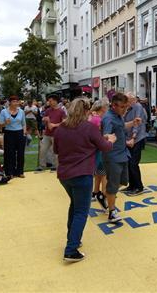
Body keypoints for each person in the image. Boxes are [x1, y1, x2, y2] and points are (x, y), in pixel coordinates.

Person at [53, 98, 116, 262]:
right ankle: (71, 249)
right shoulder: (89, 128)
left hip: (64, 175)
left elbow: (56, 149)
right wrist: (110, 140)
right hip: (82, 174)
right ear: (87, 110)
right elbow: (105, 147)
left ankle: (72, 239)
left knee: (74, 206)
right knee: (81, 211)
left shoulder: (61, 129)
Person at [101, 93, 141, 223]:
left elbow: (121, 127)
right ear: (114, 106)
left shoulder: (118, 116)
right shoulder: (108, 118)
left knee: (124, 181)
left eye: (126, 106)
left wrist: (132, 123)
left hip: (123, 154)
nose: (125, 109)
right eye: (122, 107)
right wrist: (108, 138)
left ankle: (106, 195)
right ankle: (112, 211)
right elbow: (105, 135)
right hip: (112, 156)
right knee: (113, 184)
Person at [122, 93, 148, 196]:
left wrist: (133, 137)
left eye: (127, 100)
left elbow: (137, 122)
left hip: (137, 138)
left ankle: (139, 187)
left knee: (133, 163)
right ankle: (132, 185)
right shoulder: (128, 108)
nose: (125, 102)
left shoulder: (138, 107)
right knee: (129, 163)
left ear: (132, 100)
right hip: (129, 139)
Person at [88, 99, 110, 209]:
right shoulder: (97, 119)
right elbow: (96, 136)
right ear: (103, 108)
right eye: (107, 107)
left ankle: (95, 192)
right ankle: (103, 195)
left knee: (99, 174)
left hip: (94, 150)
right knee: (105, 174)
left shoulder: (93, 116)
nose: (108, 109)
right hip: (99, 149)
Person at [36, 94, 66, 172]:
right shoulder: (48, 110)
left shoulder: (61, 111)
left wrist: (54, 125)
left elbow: (64, 123)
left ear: (55, 101)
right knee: (43, 149)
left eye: (50, 101)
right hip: (47, 134)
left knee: (55, 151)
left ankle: (55, 166)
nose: (49, 102)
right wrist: (44, 119)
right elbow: (44, 118)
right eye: (49, 101)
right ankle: (41, 166)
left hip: (56, 134)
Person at [0, 96, 26, 178]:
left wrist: (24, 132)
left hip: (19, 133)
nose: (16, 103)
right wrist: (5, 123)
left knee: (20, 153)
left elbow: (24, 123)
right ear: (10, 102)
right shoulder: (4, 112)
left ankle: (20, 171)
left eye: (17, 101)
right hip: (9, 133)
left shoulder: (21, 111)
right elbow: (0, 125)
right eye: (14, 101)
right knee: (9, 153)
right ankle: (9, 172)